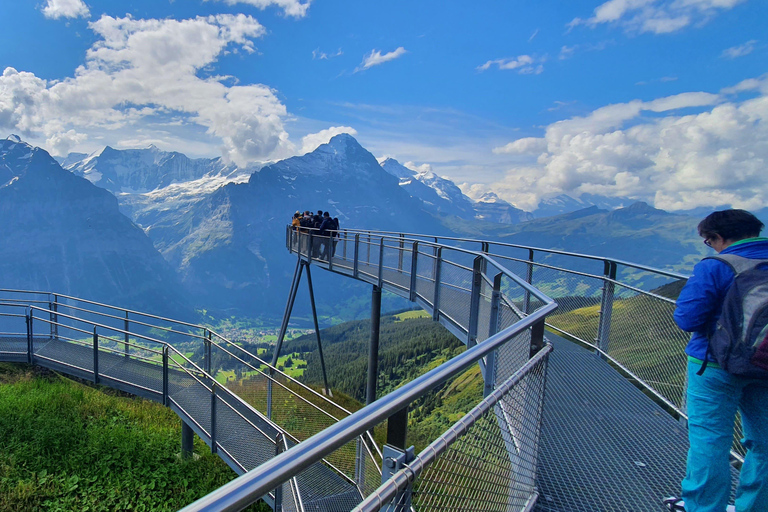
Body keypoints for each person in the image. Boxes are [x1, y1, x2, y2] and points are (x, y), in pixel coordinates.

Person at [671, 209, 768, 512]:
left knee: (710, 441)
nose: (710, 246)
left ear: (718, 238)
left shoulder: (717, 265)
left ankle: (702, 508)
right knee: (764, 444)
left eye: (709, 241)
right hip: (766, 365)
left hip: (714, 364)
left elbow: (687, 318)